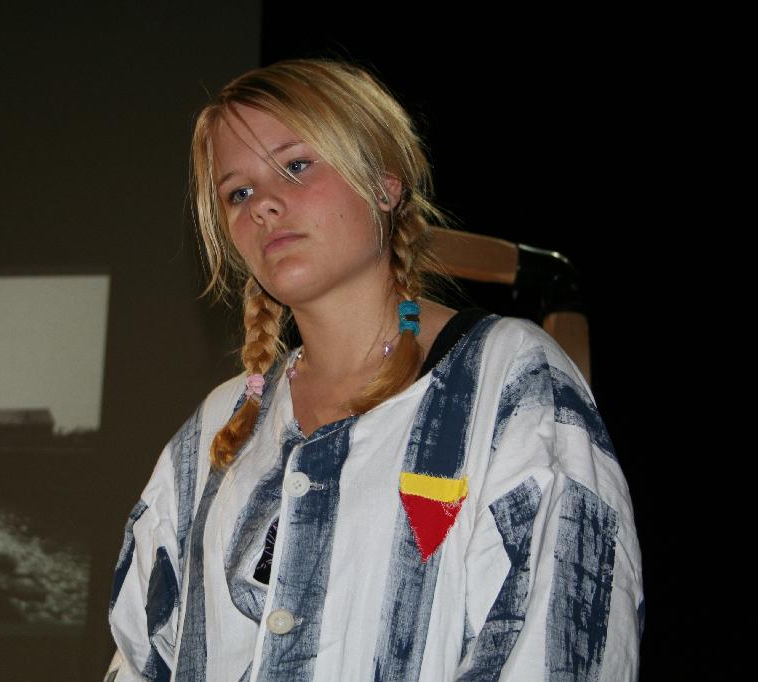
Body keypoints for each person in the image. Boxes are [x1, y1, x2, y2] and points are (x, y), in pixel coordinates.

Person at [105, 59, 643, 681]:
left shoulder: (509, 377)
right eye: (238, 193)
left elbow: (565, 640)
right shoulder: (216, 428)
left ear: (384, 185)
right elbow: (141, 654)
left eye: (295, 166)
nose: (263, 206)